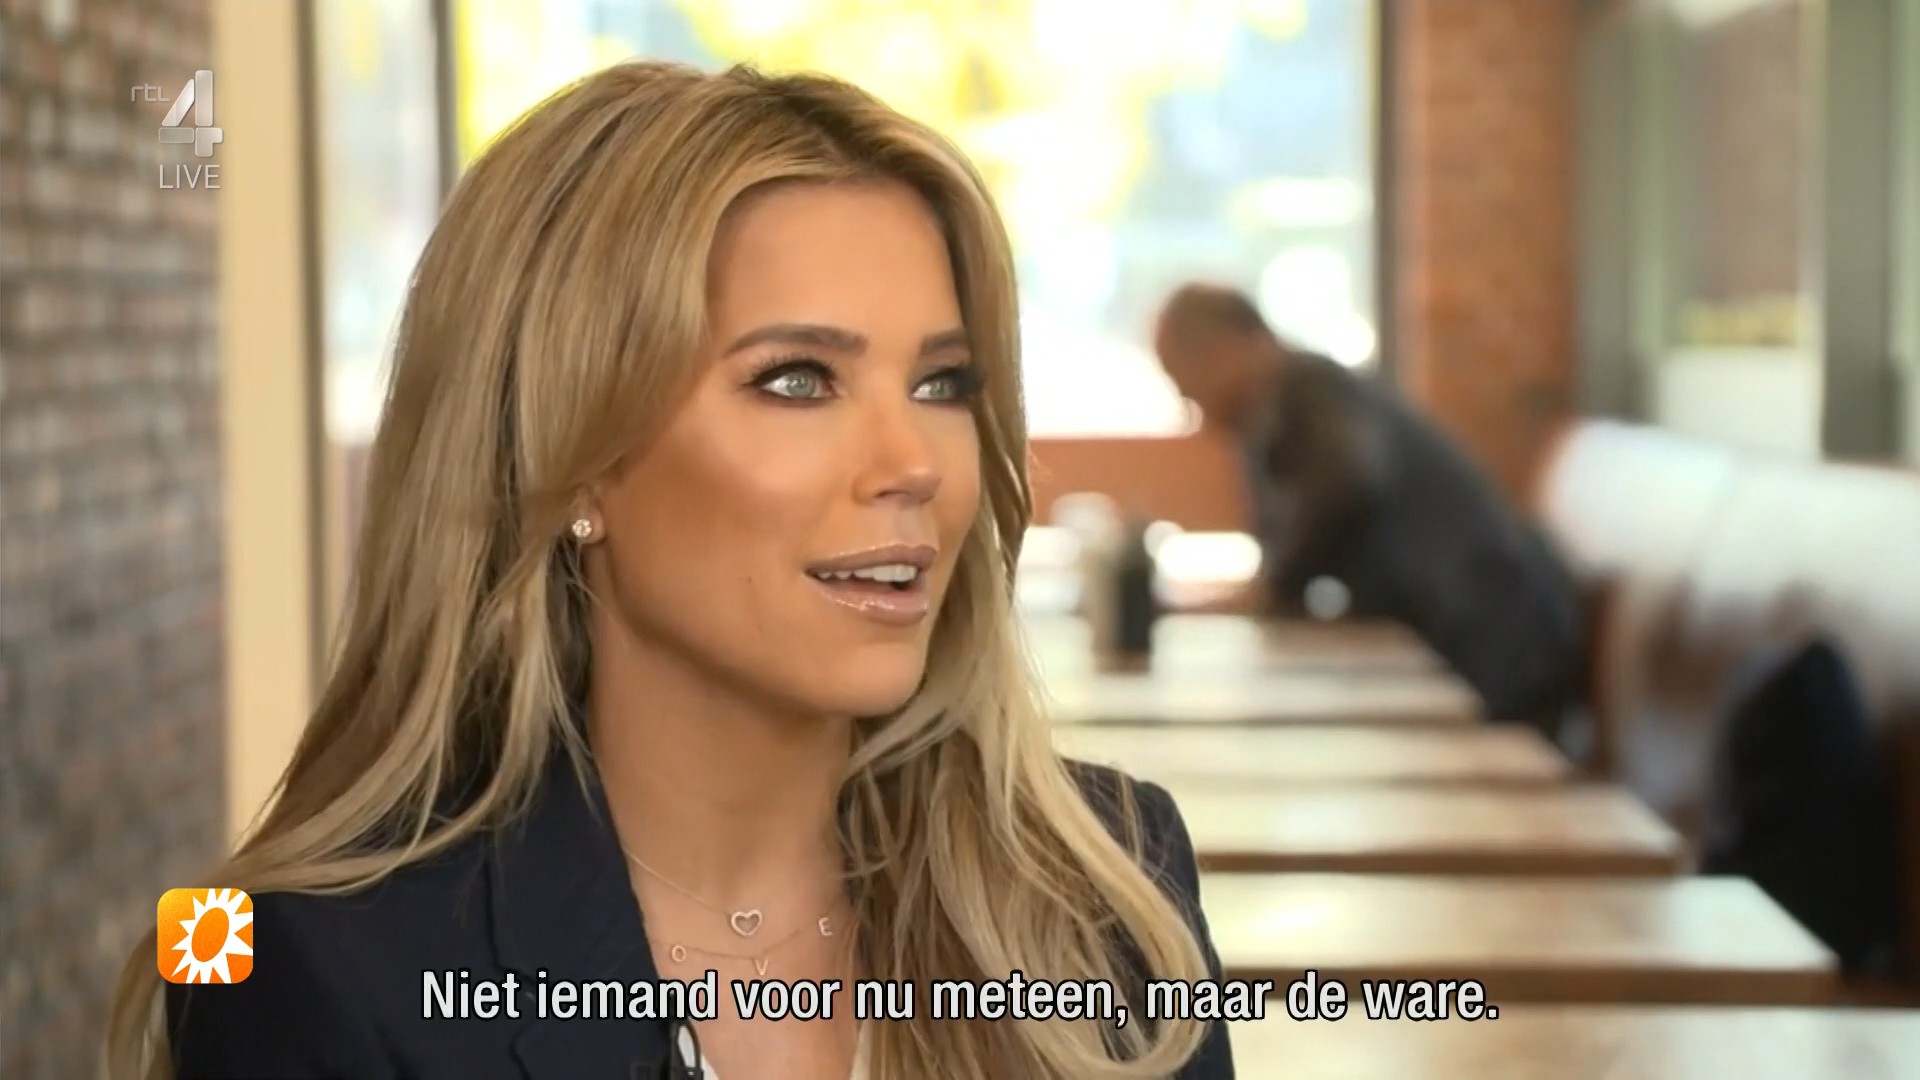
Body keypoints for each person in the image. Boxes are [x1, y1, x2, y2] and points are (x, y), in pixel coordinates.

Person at [107, 62, 1233, 1080]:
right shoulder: (282, 957)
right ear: (575, 459)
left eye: (942, 384)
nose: (915, 466)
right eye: (798, 380)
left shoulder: (1110, 890)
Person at [1151, 282, 1585, 726]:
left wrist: (1269, 592)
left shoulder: (1311, 392)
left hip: (1492, 647)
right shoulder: (1282, 410)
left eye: (1186, 385)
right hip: (1467, 645)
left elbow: (1344, 486)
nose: (1196, 408)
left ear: (1223, 352)